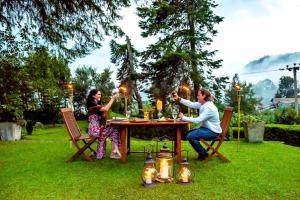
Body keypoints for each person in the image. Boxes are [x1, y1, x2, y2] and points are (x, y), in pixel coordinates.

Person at [173, 88, 222, 160]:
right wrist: (179, 98)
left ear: (204, 96)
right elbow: (191, 104)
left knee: (191, 136)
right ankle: (203, 154)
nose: (197, 97)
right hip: (208, 129)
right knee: (189, 133)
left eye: (198, 95)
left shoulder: (209, 107)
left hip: (213, 132)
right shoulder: (203, 104)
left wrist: (183, 117)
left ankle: (204, 154)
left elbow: (198, 120)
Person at [86, 89, 121, 160]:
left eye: (100, 94)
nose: (100, 95)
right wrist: (112, 99)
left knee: (115, 129)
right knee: (115, 129)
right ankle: (114, 152)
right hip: (94, 131)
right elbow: (105, 109)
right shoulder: (93, 105)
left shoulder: (97, 105)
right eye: (98, 94)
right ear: (93, 96)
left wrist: (105, 120)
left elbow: (102, 115)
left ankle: (114, 151)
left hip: (98, 129)